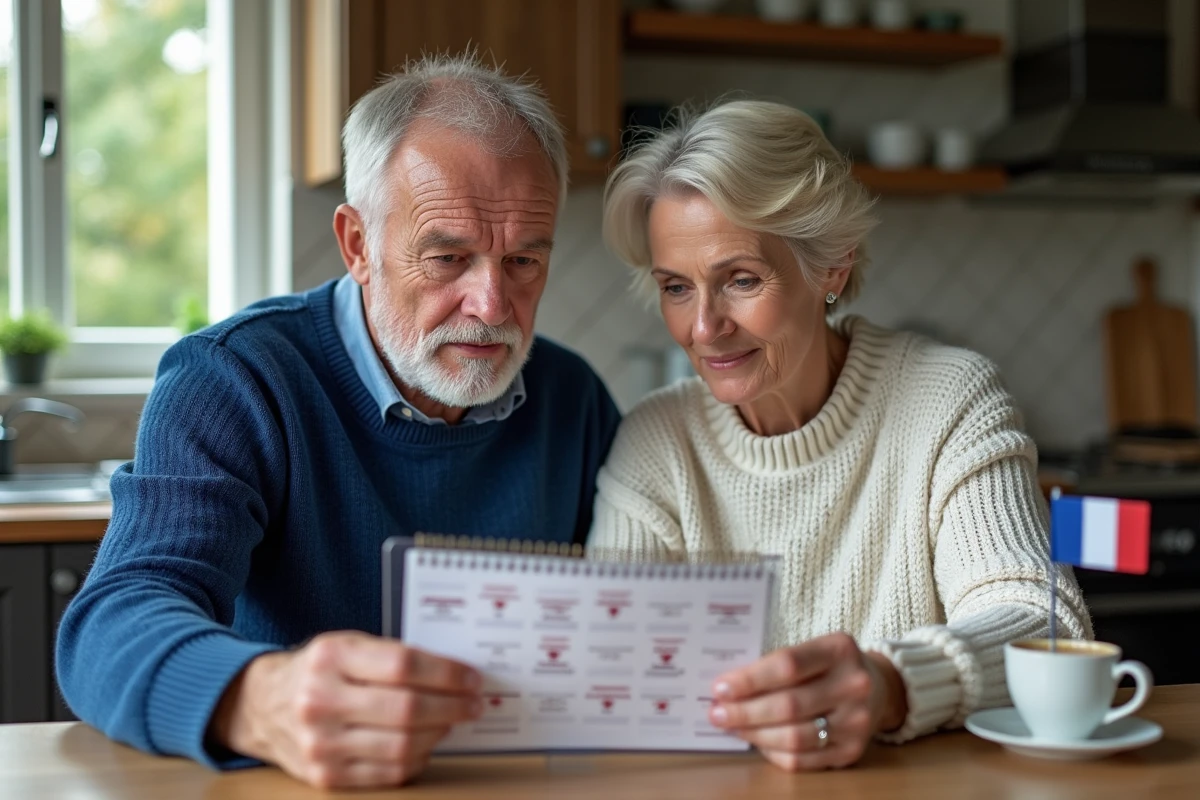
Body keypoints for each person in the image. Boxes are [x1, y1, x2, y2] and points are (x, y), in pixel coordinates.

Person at [56, 54, 621, 790]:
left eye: (522, 261)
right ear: (358, 244)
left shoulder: (572, 399)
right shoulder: (234, 378)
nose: (491, 305)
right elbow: (111, 623)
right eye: (448, 258)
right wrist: (260, 701)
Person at [592, 99, 1092, 771]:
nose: (703, 327)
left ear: (831, 265)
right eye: (677, 287)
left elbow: (1045, 625)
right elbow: (606, 671)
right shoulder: (657, 442)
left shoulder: (948, 399)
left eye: (740, 279)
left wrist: (891, 683)